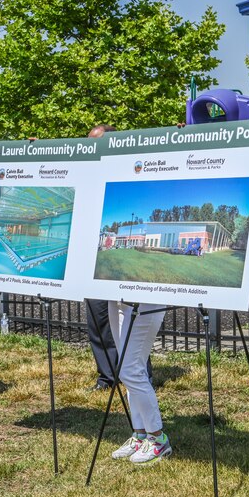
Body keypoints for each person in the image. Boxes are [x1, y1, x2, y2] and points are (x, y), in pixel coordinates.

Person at [85, 124, 151, 391]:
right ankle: (107, 377)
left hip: (123, 269)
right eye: (89, 142)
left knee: (132, 320)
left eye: (96, 142)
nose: (91, 147)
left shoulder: (131, 170)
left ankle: (140, 373)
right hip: (91, 261)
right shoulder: (86, 172)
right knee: (97, 319)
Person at [108, 301, 172, 465]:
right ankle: (140, 434)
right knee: (130, 368)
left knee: (130, 370)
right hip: (116, 298)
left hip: (145, 299)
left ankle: (158, 439)